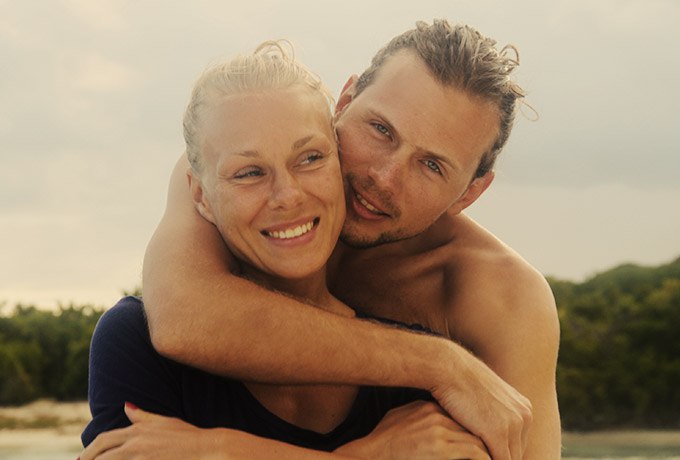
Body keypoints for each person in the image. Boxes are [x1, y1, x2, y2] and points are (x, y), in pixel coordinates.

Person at [142, 20, 561, 459]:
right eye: (380, 130)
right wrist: (443, 365)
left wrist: (220, 450)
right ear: (344, 102)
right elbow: (183, 319)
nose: (384, 178)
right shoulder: (241, 167)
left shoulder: (500, 295)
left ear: (470, 194)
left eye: (432, 165)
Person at [81, 41, 491, 459]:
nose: (288, 196)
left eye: (310, 158)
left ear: (339, 160)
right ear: (201, 196)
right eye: (249, 173)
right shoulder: (135, 342)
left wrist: (218, 451)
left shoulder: (421, 376)